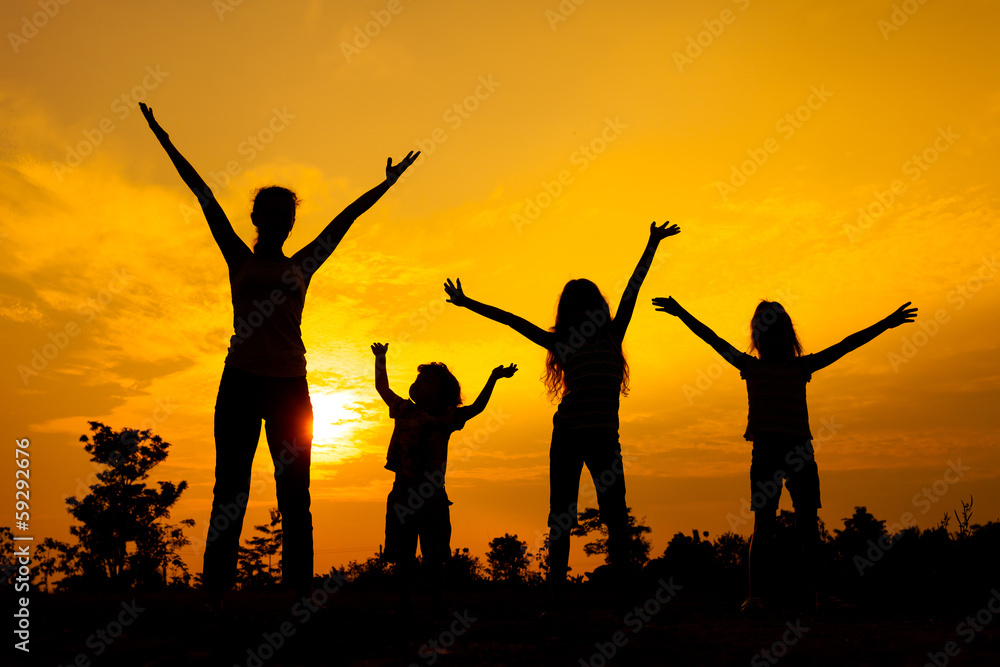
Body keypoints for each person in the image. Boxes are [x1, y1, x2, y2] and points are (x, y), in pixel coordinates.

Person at [139, 102, 418, 609]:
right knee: (232, 487)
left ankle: (298, 590)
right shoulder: (237, 256)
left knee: (295, 491)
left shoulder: (304, 264)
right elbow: (200, 192)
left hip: (290, 383)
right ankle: (217, 587)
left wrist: (388, 184)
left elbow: (346, 219)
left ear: (291, 223)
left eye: (286, 215)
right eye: (270, 214)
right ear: (255, 219)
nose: (278, 221)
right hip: (240, 380)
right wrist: (162, 134)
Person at [444, 222, 680, 605]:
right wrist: (468, 302)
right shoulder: (563, 342)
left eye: (595, 305)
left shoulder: (612, 335)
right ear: (575, 313)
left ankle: (623, 598)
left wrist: (652, 243)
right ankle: (556, 598)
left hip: (604, 437)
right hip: (569, 434)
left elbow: (632, 288)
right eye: (584, 307)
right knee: (562, 516)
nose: (594, 311)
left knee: (616, 517)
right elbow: (510, 320)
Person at [652, 296, 917, 612]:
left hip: (800, 452)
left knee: (808, 526)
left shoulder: (801, 366)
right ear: (758, 339)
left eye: (778, 332)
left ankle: (823, 596)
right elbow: (713, 339)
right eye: (766, 333)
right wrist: (682, 312)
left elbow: (847, 344)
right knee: (763, 526)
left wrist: (887, 323)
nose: (773, 339)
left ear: (788, 338)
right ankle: (755, 596)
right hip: (765, 451)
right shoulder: (750, 366)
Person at [372, 342, 516, 614]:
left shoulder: (446, 417)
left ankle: (436, 606)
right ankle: (405, 607)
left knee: (433, 556)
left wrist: (493, 379)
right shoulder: (404, 409)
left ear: (443, 395)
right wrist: (380, 359)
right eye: (418, 380)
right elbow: (382, 388)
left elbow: (477, 408)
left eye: (426, 382)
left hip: (431, 495)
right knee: (403, 555)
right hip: (402, 490)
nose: (418, 384)